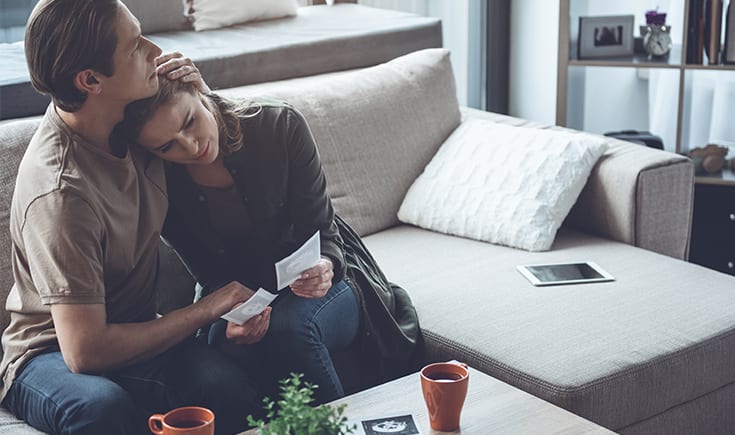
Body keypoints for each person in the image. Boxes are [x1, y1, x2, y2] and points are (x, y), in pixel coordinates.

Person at [0, 1, 265, 433]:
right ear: (90, 81)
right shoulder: (62, 190)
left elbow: (238, 172)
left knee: (227, 385)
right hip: (47, 352)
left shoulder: (135, 122)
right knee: (102, 407)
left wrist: (203, 99)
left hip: (134, 330)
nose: (154, 50)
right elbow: (84, 352)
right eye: (134, 45)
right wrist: (206, 309)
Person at [115, 77, 423, 404]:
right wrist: (230, 319)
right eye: (167, 146)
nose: (189, 146)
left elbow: (324, 232)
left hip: (329, 277)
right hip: (244, 291)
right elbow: (210, 276)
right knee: (223, 344)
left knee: (291, 327)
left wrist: (324, 266)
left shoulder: (278, 125)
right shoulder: (162, 182)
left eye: (190, 122)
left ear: (198, 91)